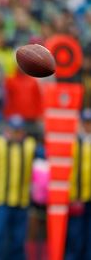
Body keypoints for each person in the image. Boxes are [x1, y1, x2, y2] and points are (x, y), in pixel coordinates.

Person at [0, 115, 44, 260]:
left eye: (19, 131)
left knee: (19, 242)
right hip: (1, 201)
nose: (16, 134)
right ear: (7, 130)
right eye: (13, 131)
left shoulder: (30, 145)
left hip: (22, 202)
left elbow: (47, 157)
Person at [65, 109, 91, 260]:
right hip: (76, 197)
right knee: (75, 236)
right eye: (86, 122)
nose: (88, 126)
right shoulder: (73, 142)